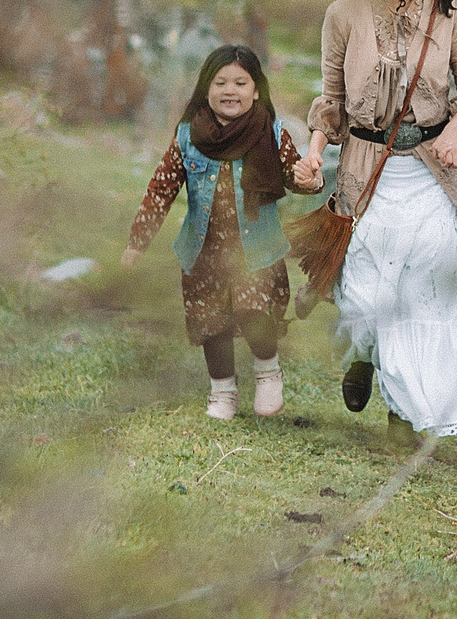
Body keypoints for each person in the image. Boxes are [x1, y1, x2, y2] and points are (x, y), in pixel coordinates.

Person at [296, 0, 457, 440]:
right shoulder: (343, 14)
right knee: (363, 291)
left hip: (429, 172)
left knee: (427, 287)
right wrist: (313, 155)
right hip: (366, 171)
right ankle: (362, 357)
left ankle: (403, 413)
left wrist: (454, 134)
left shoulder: (450, 14)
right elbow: (331, 102)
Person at [122, 43, 323, 421]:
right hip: (203, 251)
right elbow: (161, 188)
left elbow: (295, 174)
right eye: (220, 82)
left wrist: (309, 179)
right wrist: (138, 242)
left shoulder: (272, 132)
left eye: (240, 83)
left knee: (255, 314)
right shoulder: (188, 136)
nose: (230, 91)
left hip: (256, 251)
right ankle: (223, 392)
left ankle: (268, 371)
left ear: (256, 90)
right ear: (205, 88)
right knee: (210, 323)